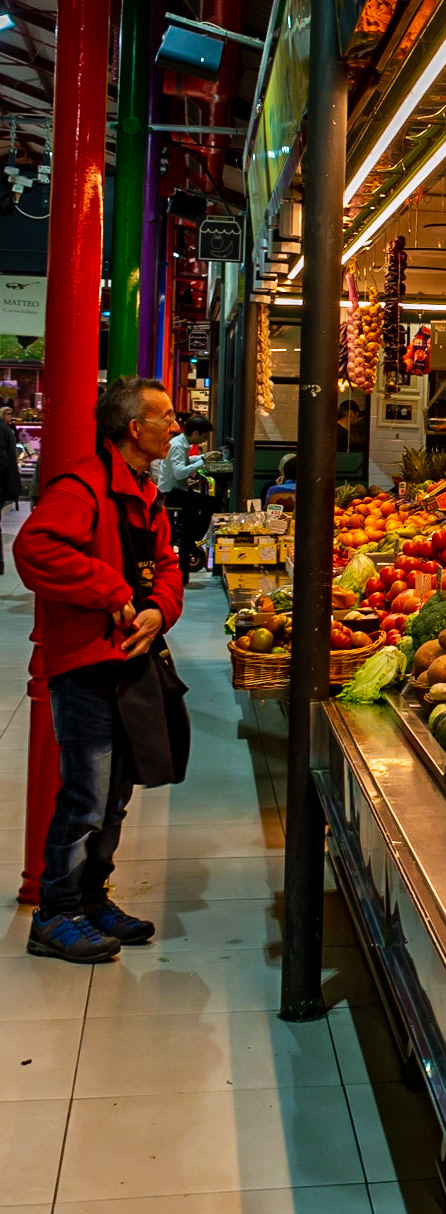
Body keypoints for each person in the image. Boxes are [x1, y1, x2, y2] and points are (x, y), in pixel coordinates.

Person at [14, 376, 185, 962]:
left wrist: (159, 612)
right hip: (86, 664)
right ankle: (54, 914)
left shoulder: (144, 492)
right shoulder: (84, 487)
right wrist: (112, 591)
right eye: (165, 417)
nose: (175, 425)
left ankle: (91, 898)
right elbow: (35, 550)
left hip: (129, 663)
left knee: (115, 793)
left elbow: (167, 566)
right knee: (87, 792)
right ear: (134, 428)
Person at [156, 414, 216, 577]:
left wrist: (203, 457)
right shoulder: (177, 446)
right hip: (169, 492)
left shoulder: (181, 444)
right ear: (195, 432)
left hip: (176, 490)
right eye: (204, 436)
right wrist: (202, 461)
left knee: (203, 502)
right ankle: (188, 540)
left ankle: (188, 538)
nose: (204, 439)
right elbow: (179, 473)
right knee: (207, 503)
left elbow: (184, 462)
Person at [0, 405, 23, 509]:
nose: (10, 416)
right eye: (8, 414)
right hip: (4, 469)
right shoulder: (3, 428)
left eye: (11, 414)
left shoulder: (7, 427)